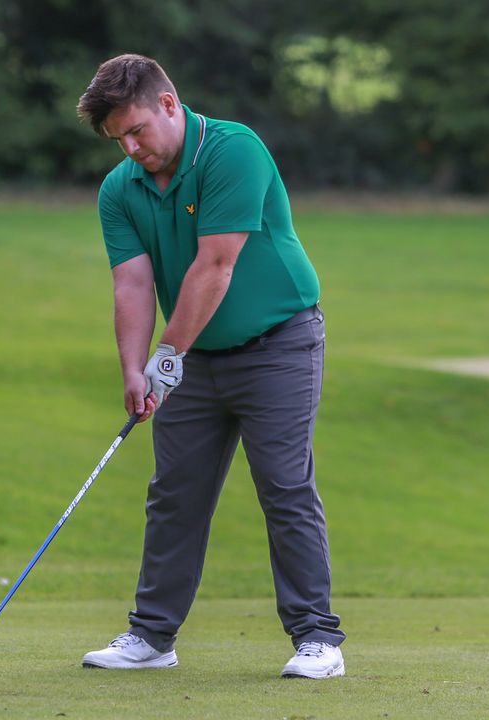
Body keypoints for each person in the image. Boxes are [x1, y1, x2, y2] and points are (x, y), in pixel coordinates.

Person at [74, 54, 344, 679]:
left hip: (278, 343)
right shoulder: (121, 189)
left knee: (283, 484)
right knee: (175, 495)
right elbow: (133, 286)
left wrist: (167, 358)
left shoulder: (233, 150)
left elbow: (215, 267)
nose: (132, 148)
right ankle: (151, 637)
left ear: (169, 104)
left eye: (137, 130)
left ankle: (317, 639)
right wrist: (136, 369)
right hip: (191, 358)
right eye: (119, 140)